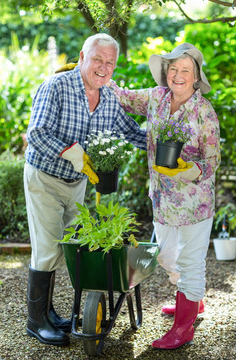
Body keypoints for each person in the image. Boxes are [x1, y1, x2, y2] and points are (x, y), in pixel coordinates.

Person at [24, 33, 146, 346]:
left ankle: (48, 314)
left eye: (110, 63)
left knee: (66, 248)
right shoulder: (57, 86)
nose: (104, 68)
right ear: (82, 57)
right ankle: (35, 322)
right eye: (98, 59)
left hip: (76, 184)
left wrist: (171, 146)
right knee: (48, 248)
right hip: (45, 178)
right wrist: (70, 151)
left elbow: (132, 131)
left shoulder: (108, 98)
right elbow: (36, 133)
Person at [109, 43, 221, 349]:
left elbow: (212, 162)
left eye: (185, 70)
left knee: (190, 262)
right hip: (161, 198)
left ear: (196, 76)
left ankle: (183, 328)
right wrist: (100, 77)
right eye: (173, 68)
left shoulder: (204, 112)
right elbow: (123, 97)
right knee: (166, 255)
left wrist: (185, 169)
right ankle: (192, 301)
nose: (178, 74)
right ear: (165, 72)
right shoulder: (156, 98)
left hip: (194, 202)